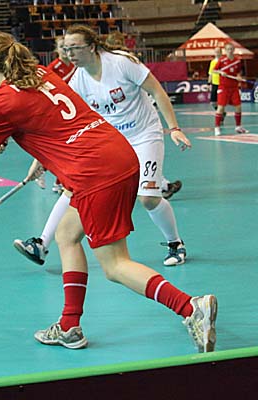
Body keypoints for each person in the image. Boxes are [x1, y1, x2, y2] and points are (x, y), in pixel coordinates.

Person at [0, 30, 217, 353]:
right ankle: (69, 326)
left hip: (94, 173)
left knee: (115, 265)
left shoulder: (1, 103)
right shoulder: (40, 74)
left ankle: (190, 307)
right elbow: (46, 121)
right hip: (117, 153)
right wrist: (27, 150)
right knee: (66, 234)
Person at [15, 24, 191, 268]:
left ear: (91, 47)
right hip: (112, 143)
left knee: (148, 199)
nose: (69, 54)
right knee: (75, 187)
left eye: (75, 48)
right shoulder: (77, 80)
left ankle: (175, 243)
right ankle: (41, 243)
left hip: (144, 135)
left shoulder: (121, 63)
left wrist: (174, 128)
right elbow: (59, 123)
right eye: (66, 49)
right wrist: (41, 161)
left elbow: (157, 91)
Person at [38, 37, 77, 192]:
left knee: (70, 146)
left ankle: (59, 182)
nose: (66, 50)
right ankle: (42, 170)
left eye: (68, 47)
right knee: (61, 147)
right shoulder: (52, 68)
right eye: (62, 47)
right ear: (56, 50)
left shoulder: (75, 64)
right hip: (57, 112)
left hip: (74, 109)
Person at [213, 42, 248, 136]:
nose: (230, 51)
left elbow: (238, 72)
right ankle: (217, 127)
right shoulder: (221, 60)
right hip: (224, 87)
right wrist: (221, 72)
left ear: (234, 50)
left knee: (238, 106)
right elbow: (214, 70)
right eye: (228, 49)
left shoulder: (237, 61)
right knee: (221, 107)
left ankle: (238, 127)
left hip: (234, 87)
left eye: (231, 49)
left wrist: (239, 76)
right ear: (225, 50)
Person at [207, 47, 224, 119]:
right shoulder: (212, 62)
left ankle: (220, 115)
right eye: (216, 52)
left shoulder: (224, 61)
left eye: (218, 52)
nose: (217, 53)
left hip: (222, 84)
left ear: (221, 52)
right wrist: (208, 84)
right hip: (214, 84)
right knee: (213, 102)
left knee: (221, 102)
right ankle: (221, 112)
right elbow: (210, 74)